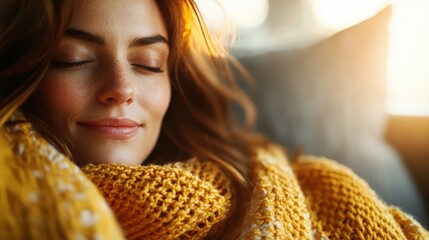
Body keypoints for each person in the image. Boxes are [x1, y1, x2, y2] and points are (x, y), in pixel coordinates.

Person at [0, 0, 427, 239]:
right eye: (74, 59)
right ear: (28, 72)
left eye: (148, 63)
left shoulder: (298, 187)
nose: (120, 87)